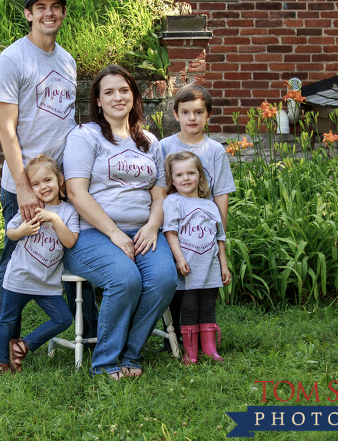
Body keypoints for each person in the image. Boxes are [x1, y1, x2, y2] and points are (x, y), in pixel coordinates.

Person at [0, 0, 97, 344]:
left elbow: (64, 122)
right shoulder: (12, 60)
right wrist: (23, 187)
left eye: (55, 6)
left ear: (63, 13)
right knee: (15, 261)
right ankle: (5, 342)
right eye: (41, 7)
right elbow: (7, 129)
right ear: (28, 14)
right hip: (25, 185)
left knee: (69, 252)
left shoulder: (67, 61)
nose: (48, 13)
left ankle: (89, 328)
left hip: (60, 184)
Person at [62, 65, 177, 379]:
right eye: (108, 92)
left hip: (142, 230)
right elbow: (76, 192)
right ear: (98, 101)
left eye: (124, 90)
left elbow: (159, 195)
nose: (117, 97)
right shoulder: (85, 136)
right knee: (125, 279)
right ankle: (105, 362)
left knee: (164, 279)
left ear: (134, 96)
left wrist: (153, 226)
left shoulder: (150, 143)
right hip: (91, 233)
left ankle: (129, 353)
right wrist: (114, 233)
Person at [158, 84, 235, 350]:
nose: (192, 118)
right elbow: (157, 189)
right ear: (176, 115)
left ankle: (203, 340)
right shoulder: (164, 146)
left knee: (203, 287)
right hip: (174, 230)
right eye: (186, 112)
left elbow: (221, 192)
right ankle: (175, 337)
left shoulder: (214, 150)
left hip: (203, 233)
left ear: (208, 115)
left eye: (199, 112)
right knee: (177, 286)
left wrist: (219, 231)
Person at [0, 155, 79, 373]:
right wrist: (21, 231)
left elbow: (69, 241)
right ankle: (1, 361)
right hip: (20, 277)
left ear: (60, 180)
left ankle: (23, 346)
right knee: (7, 320)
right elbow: (10, 232)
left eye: (47, 180)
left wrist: (54, 219)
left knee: (63, 319)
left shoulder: (68, 212)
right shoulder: (31, 208)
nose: (43, 187)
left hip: (47, 284)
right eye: (36, 184)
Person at [162, 151, 231, 364]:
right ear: (172, 180)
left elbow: (219, 237)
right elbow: (170, 232)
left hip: (209, 267)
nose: (186, 178)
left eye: (191, 173)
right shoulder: (173, 201)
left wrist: (224, 265)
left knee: (208, 307)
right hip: (188, 268)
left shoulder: (211, 205)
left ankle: (210, 349)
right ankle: (190, 352)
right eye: (179, 175)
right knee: (190, 307)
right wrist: (179, 258)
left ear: (200, 176)